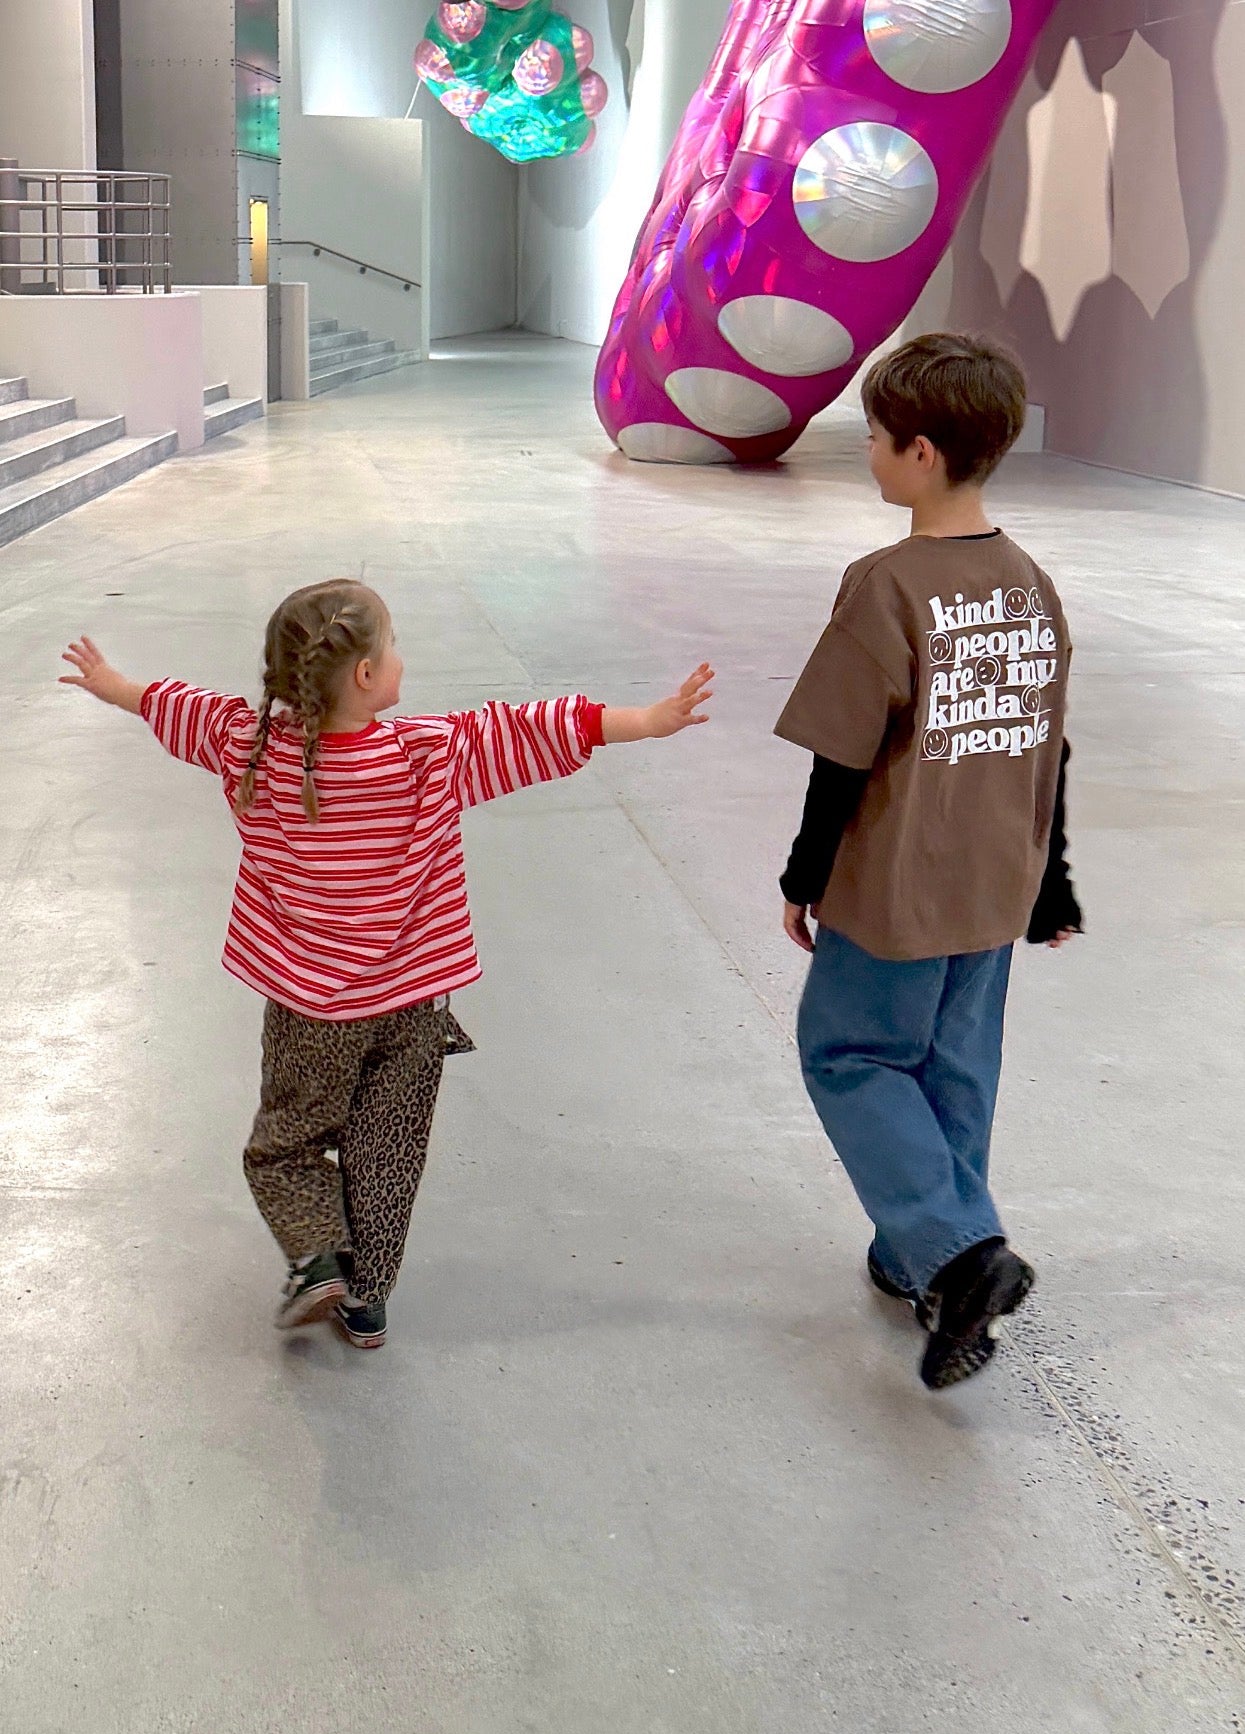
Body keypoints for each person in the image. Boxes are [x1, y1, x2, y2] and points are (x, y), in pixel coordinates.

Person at [60, 581, 713, 1349]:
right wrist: (646, 720)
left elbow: (177, 706)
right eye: (392, 645)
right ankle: (367, 1300)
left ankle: (316, 1258)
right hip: (412, 1009)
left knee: (287, 1143)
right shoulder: (429, 754)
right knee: (386, 1156)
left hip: (311, 1013)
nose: (401, 656)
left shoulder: (249, 746)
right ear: (366, 675)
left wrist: (112, 684)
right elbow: (532, 728)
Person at [775, 334, 1082, 1392]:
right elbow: (1049, 745)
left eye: (872, 436)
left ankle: (960, 1253)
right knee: (955, 1067)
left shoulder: (885, 586)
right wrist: (1052, 878)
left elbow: (841, 756)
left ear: (918, 451)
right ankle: (923, 1257)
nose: (865, 450)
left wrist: (804, 875)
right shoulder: (1030, 584)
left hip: (897, 886)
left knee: (851, 1052)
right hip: (995, 879)